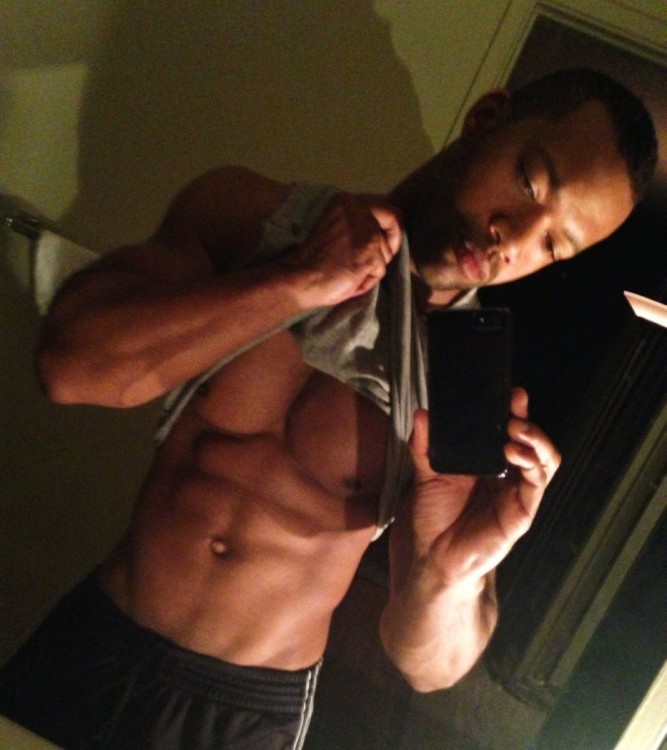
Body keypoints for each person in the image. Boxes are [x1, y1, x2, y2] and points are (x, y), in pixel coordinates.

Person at [0, 68, 657, 749]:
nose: (511, 239)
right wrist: (297, 281)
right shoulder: (251, 218)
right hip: (97, 640)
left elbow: (429, 665)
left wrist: (450, 574)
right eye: (531, 182)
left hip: (243, 714)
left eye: (552, 244)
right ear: (487, 118)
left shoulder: (463, 381)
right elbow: (70, 368)